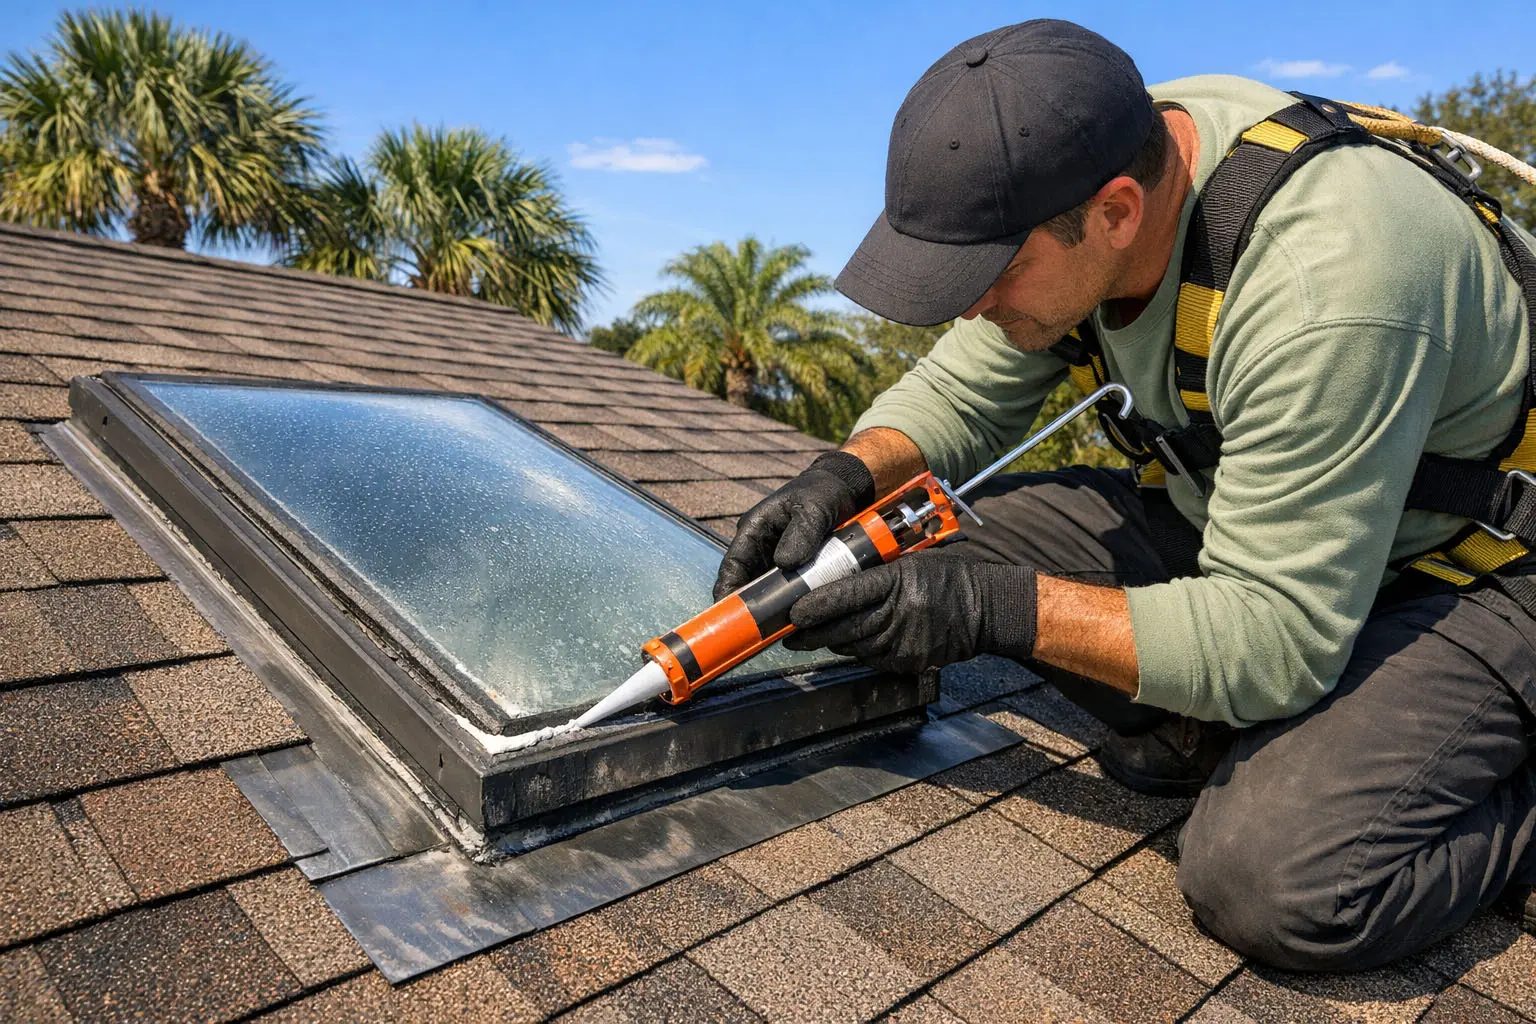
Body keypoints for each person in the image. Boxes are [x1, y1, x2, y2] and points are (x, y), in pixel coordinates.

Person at [715, 19, 1536, 971]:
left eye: (992, 273)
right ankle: (1216, 724)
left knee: (1276, 880)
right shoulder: (1098, 151)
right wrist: (844, 475)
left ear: (1116, 213)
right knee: (904, 550)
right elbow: (960, 388)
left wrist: (994, 611)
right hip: (1266, 521)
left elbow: (1278, 638)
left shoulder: (1330, 278)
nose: (972, 303)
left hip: (1476, 568)